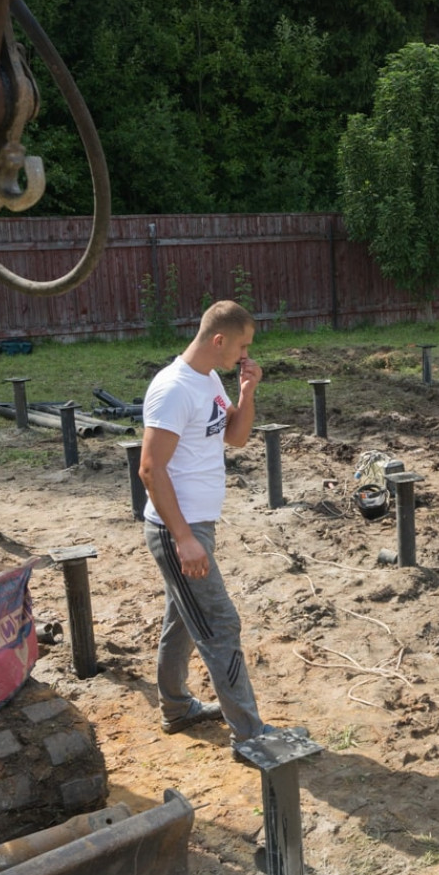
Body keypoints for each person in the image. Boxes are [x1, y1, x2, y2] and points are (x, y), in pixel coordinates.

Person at [137, 299, 263, 745]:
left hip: (196, 526)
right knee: (219, 623)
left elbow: (236, 437)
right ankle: (249, 735)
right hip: (178, 531)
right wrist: (184, 538)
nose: (245, 355)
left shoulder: (209, 379)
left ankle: (174, 707)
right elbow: (150, 468)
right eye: (242, 346)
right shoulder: (173, 389)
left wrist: (246, 394)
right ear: (218, 340)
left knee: (183, 620)